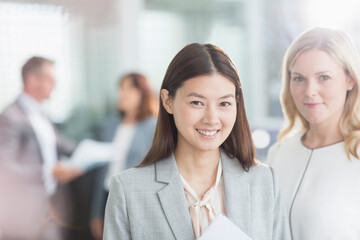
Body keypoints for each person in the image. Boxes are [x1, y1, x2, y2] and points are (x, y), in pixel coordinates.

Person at [103, 43, 290, 240]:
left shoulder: (264, 181)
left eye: (224, 103)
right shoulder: (128, 190)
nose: (211, 118)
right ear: (167, 101)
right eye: (197, 103)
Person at [267, 28, 360, 239]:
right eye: (299, 79)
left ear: (350, 80)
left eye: (324, 77)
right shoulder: (279, 152)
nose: (309, 91)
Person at [0, 56, 84, 240]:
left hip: (51, 205)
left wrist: (93, 151)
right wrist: (50, 171)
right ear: (32, 79)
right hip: (24, 212)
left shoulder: (41, 113)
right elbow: (5, 166)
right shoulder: (10, 116)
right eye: (50, 79)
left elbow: (62, 144)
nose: (55, 85)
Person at [90, 73, 157, 240]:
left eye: (129, 88)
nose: (123, 93)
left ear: (143, 93)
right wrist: (96, 212)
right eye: (121, 88)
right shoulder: (111, 124)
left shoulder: (154, 126)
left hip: (135, 200)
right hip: (107, 193)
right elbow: (102, 171)